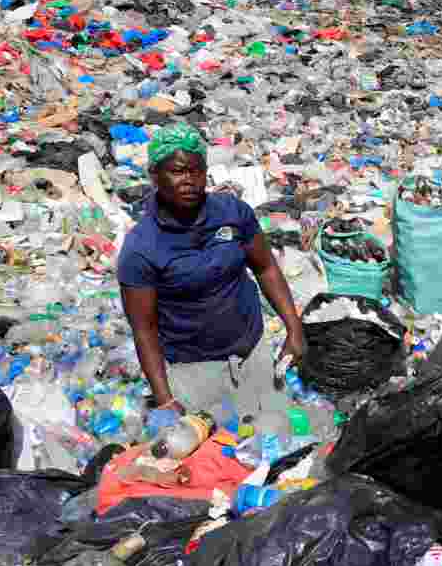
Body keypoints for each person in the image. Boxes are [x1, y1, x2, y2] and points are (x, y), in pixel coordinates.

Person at [117, 122, 306, 422]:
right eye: (177, 171)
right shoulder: (142, 248)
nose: (189, 180)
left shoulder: (232, 212)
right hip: (194, 372)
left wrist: (294, 328)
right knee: (217, 457)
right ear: (155, 176)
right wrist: (165, 399)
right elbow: (144, 329)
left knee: (274, 440)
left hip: (252, 352)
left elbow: (266, 268)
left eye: (196, 170)